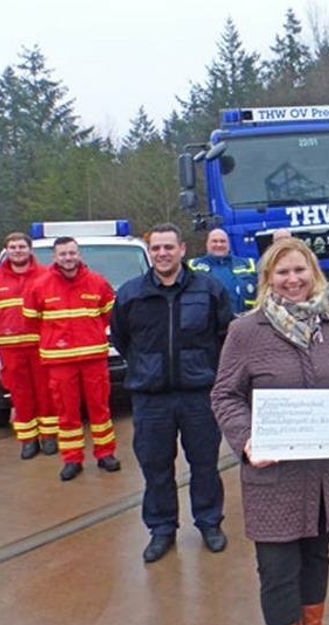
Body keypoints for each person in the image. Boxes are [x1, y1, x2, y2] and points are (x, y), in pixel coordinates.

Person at [211, 238, 329, 625]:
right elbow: (225, 394)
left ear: (314, 274)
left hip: (326, 474)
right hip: (274, 477)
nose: (292, 279)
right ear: (268, 278)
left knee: (317, 556)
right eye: (282, 272)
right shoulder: (246, 331)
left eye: (300, 270)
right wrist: (246, 439)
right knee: (278, 571)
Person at [111, 223, 233, 563]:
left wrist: (208, 371)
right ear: (149, 252)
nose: (162, 253)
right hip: (151, 398)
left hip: (198, 395)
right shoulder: (131, 294)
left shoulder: (209, 289)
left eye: (168, 247)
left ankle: (209, 522)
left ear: (182, 249)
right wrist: (146, 367)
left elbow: (225, 335)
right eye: (156, 248)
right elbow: (121, 338)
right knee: (156, 467)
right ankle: (162, 529)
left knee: (205, 464)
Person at [22, 237, 119, 482]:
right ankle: (72, 459)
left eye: (72, 253)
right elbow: (32, 321)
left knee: (100, 408)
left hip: (93, 358)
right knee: (66, 413)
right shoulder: (39, 286)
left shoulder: (98, 282)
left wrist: (90, 334)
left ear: (79, 254)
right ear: (54, 257)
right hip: (59, 361)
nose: (68, 258)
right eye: (63, 254)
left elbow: (109, 315)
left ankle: (105, 453)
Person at [0, 232, 59, 458]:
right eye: (12, 247)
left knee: (46, 393)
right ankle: (28, 440)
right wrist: (3, 324)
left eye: (21, 246)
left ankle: (49, 437)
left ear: (30, 249)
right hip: (10, 348)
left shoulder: (46, 275)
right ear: (6, 250)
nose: (17, 251)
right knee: (20, 395)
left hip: (40, 346)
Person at [188, 228, 257, 314]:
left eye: (223, 241)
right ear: (207, 244)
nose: (219, 244)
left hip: (243, 319)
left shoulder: (249, 265)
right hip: (206, 320)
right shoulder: (192, 266)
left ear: (229, 244)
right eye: (214, 241)